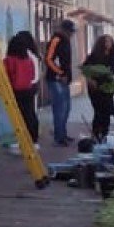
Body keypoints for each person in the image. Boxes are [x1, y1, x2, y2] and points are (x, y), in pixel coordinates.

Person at [43, 19, 77, 147]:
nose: (71, 34)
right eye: (70, 32)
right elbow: (48, 59)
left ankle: (63, 133)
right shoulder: (56, 39)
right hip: (56, 79)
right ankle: (59, 137)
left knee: (66, 108)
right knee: (59, 109)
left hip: (64, 80)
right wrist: (60, 73)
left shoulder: (66, 40)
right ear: (64, 30)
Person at [4, 31, 41, 144]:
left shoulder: (9, 60)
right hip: (29, 88)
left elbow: (6, 75)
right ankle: (32, 140)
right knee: (29, 113)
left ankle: (27, 141)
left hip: (17, 90)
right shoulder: (28, 59)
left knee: (23, 116)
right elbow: (33, 74)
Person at [82, 33, 114, 141]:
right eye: (106, 41)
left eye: (110, 41)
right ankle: (96, 133)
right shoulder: (93, 56)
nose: (109, 44)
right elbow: (85, 69)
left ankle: (105, 133)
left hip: (108, 87)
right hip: (95, 87)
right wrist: (90, 79)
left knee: (107, 110)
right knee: (98, 110)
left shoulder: (113, 56)